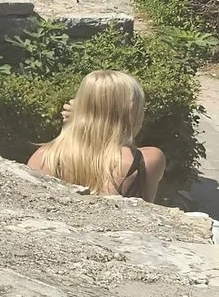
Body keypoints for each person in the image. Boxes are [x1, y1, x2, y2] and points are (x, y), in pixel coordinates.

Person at [28, 70, 167, 200]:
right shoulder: (147, 160)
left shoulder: (42, 159)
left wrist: (79, 121)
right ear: (131, 109)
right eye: (141, 107)